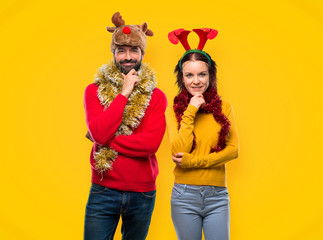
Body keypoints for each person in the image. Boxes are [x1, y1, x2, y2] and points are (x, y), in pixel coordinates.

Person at [83, 12, 167, 240]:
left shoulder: (157, 96)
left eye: (133, 51)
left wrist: (106, 139)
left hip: (142, 192)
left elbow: (150, 144)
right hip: (103, 190)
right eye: (121, 50)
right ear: (113, 53)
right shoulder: (94, 91)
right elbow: (99, 133)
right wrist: (124, 93)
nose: (127, 57)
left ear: (142, 54)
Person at [166, 28, 239, 240]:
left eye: (202, 74)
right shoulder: (173, 110)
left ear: (210, 75)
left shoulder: (225, 107)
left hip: (217, 197)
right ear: (182, 77)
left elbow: (233, 151)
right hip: (184, 196)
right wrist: (190, 110)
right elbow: (179, 151)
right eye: (189, 75)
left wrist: (194, 162)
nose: (196, 81)